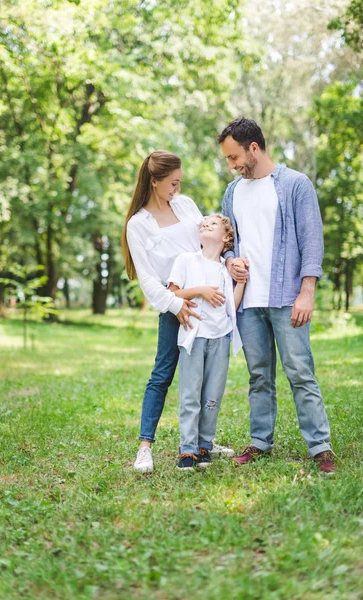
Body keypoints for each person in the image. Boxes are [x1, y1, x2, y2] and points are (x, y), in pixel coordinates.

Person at [218, 117, 336, 473]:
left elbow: (312, 240)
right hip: (248, 302)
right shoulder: (232, 192)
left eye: (234, 156)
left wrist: (307, 292)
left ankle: (320, 446)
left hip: (287, 298)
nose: (232, 165)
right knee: (259, 375)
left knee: (300, 371)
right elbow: (226, 242)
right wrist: (229, 261)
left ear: (254, 148)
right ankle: (259, 442)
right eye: (227, 159)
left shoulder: (295, 184)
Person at [122, 151, 234, 473]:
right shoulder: (138, 225)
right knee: (163, 373)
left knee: (206, 378)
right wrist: (177, 306)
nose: (177, 188)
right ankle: (145, 447)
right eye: (172, 183)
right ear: (154, 182)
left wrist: (228, 262)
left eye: (179, 182)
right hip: (176, 306)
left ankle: (202, 443)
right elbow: (148, 281)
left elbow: (211, 242)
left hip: (208, 308)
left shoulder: (184, 206)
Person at [168, 214, 246, 470]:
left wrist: (241, 283)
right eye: (203, 223)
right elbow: (172, 293)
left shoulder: (226, 268)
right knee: (191, 394)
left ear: (225, 238)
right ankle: (187, 448)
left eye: (212, 224)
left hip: (220, 337)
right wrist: (201, 290)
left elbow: (230, 308)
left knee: (212, 395)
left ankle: (204, 444)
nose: (205, 225)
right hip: (194, 336)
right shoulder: (187, 260)